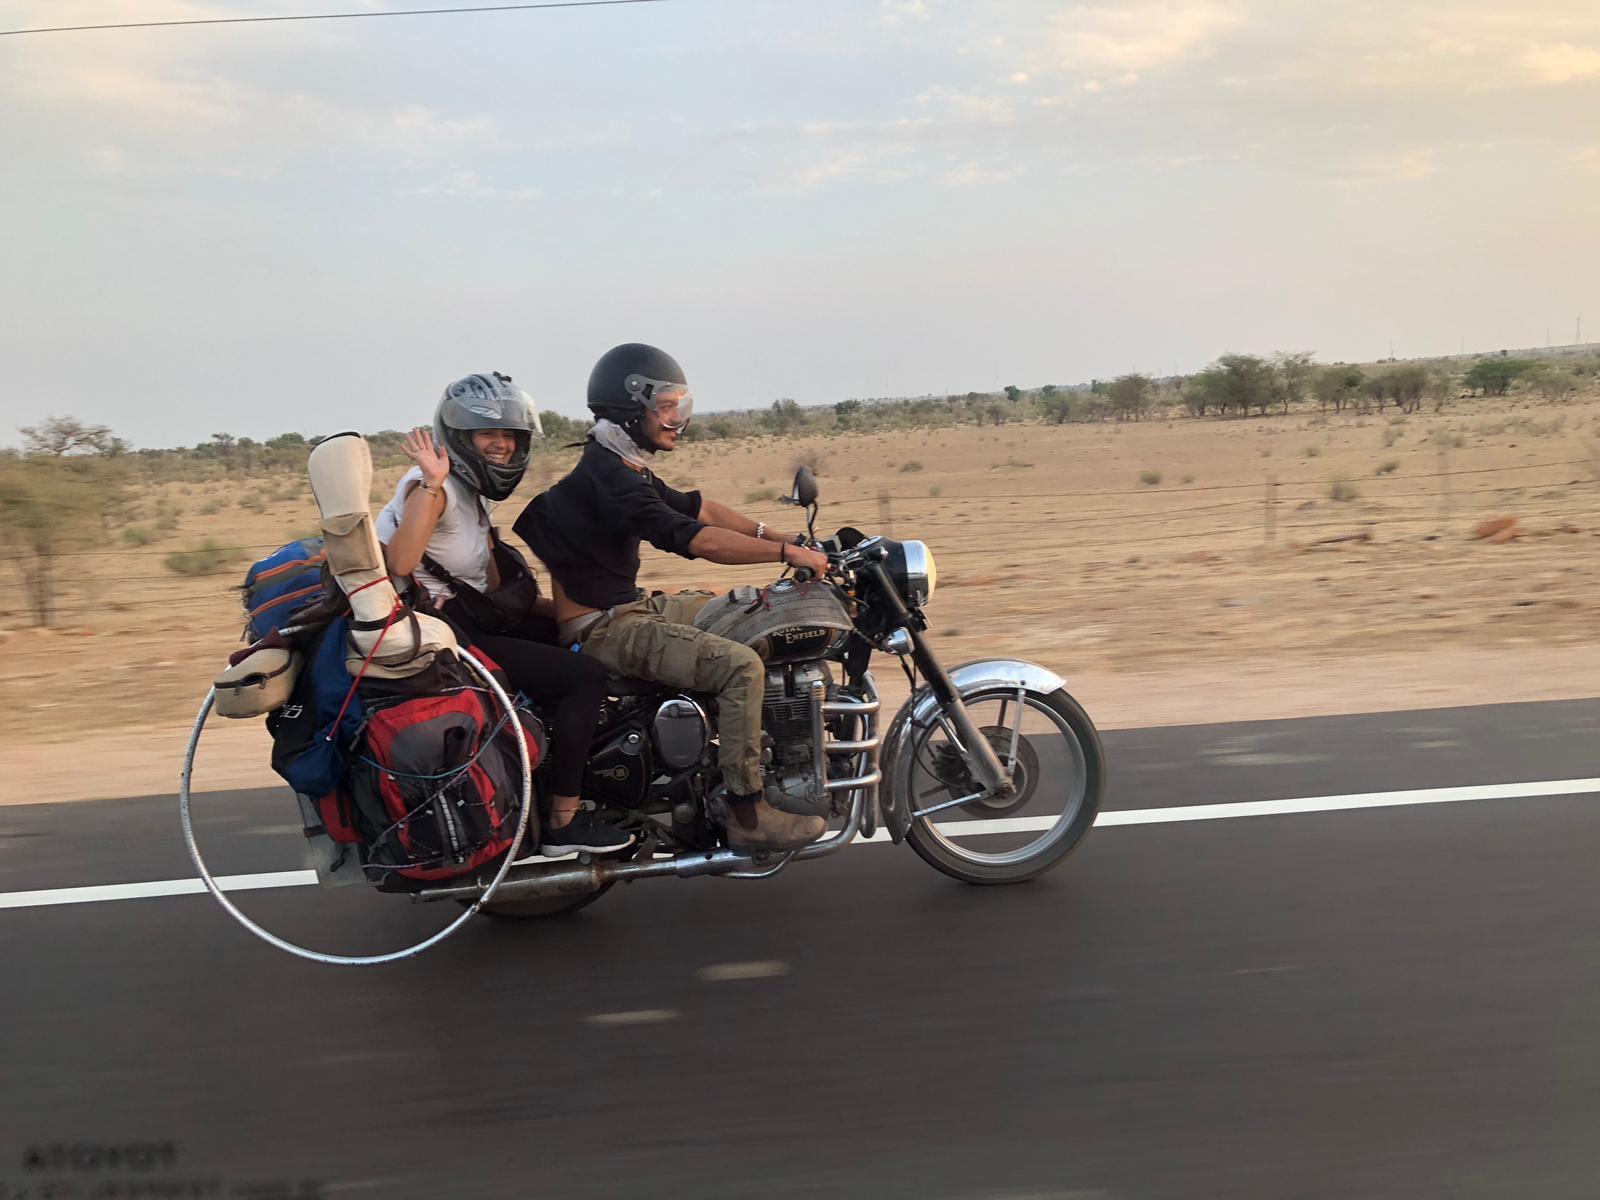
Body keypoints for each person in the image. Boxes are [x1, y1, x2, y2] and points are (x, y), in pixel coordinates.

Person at [513, 344, 832, 852]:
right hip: (606, 627)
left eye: (681, 407)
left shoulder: (620, 463)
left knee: (741, 609)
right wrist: (784, 553)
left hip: (627, 608)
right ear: (629, 407)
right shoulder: (611, 478)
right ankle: (747, 814)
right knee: (740, 666)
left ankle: (741, 744)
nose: (676, 420)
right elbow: (697, 539)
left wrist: (782, 536)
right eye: (666, 407)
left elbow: (700, 508)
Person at [376, 372, 631, 858]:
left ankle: (574, 762)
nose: (502, 446)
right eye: (488, 434)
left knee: (577, 639)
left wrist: (576, 613)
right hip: (446, 638)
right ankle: (562, 820)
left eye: (511, 437)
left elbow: (495, 592)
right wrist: (430, 483)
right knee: (584, 678)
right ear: (460, 436)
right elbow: (401, 562)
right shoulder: (434, 487)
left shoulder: (469, 492)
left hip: (471, 620)